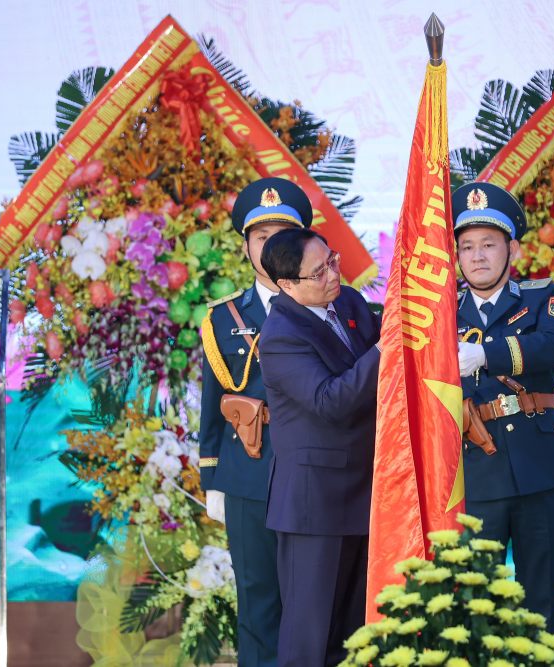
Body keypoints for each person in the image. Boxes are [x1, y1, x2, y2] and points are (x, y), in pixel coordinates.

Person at [452, 181, 554, 635]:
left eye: (489, 244)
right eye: (467, 246)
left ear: (511, 248)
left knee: (539, 598)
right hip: (475, 466)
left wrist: (486, 355)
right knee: (477, 602)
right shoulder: (443, 310)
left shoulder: (539, 296)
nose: (478, 256)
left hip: (539, 464)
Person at [199, 177, 314, 667]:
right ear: (246, 246)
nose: (270, 248)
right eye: (260, 237)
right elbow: (212, 404)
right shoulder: (223, 318)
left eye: (281, 236)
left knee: (314, 604)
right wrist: (212, 479)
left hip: (314, 474)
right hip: (247, 473)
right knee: (257, 602)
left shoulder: (332, 307)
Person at [257, 227, 381, 667]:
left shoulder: (346, 301)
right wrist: (387, 348)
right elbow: (331, 400)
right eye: (319, 271)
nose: (333, 274)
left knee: (353, 634)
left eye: (333, 260)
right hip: (315, 504)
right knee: (310, 637)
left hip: (363, 491)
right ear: (287, 285)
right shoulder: (281, 335)